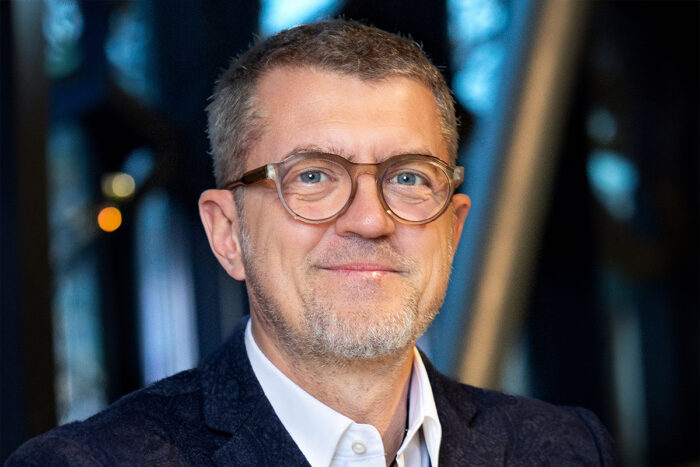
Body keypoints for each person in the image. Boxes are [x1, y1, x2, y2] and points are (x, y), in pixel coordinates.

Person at [7, 20, 615, 466]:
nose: (370, 221)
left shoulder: (565, 449)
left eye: (408, 178)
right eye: (314, 177)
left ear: (453, 231)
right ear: (227, 233)